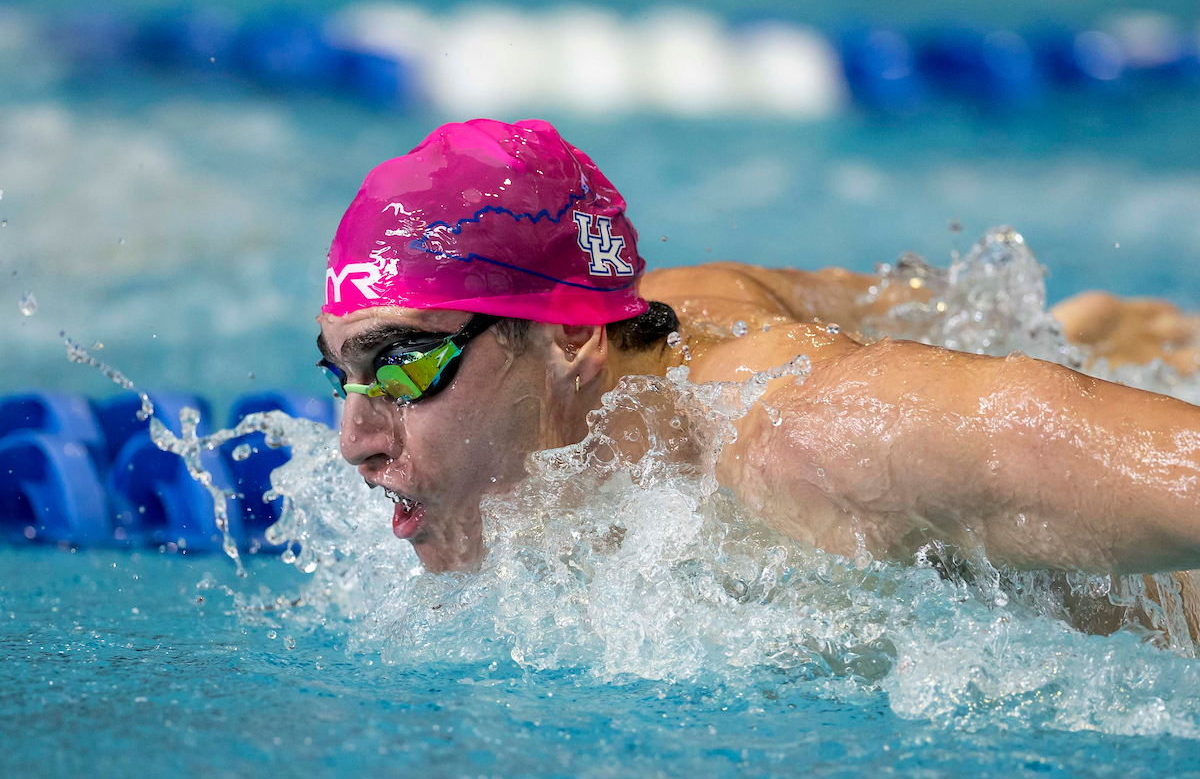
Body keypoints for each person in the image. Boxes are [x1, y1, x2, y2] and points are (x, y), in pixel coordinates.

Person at [316, 118, 1200, 589]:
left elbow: (1018, 434)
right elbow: (937, 304)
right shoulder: (676, 310)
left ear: (572, 339)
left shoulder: (815, 440)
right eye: (342, 375)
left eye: (401, 365)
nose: (354, 438)